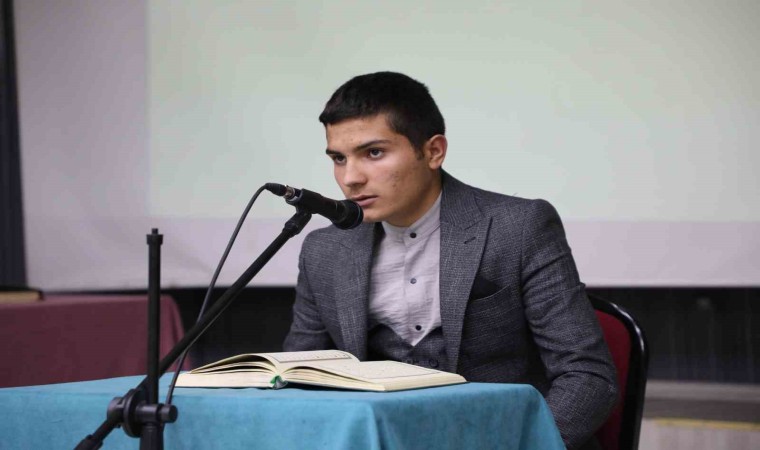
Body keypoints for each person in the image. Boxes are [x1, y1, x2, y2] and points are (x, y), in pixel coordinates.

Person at [283, 71, 618, 450]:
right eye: (338, 158)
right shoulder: (324, 249)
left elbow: (587, 375)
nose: (350, 178)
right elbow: (300, 377)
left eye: (373, 153)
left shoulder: (520, 227)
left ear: (433, 152)